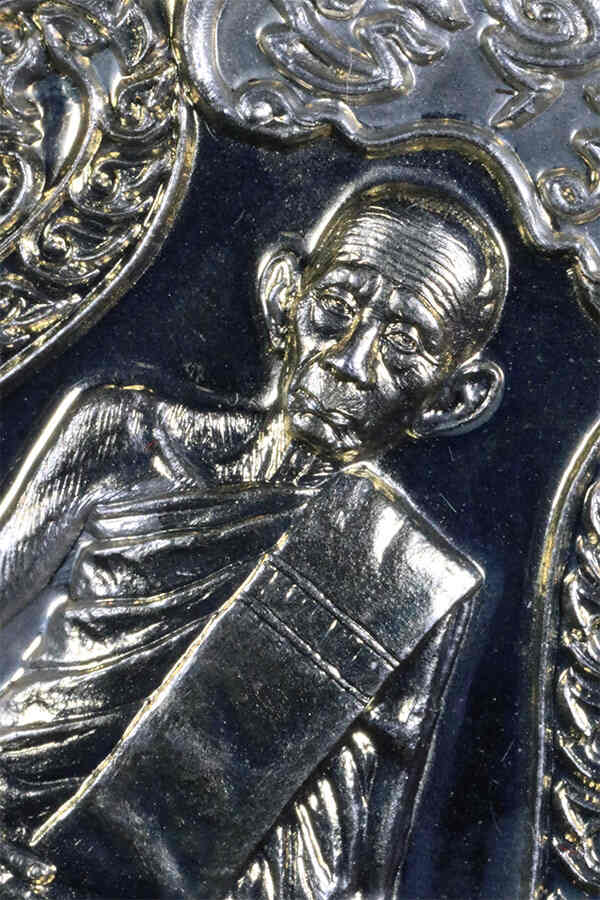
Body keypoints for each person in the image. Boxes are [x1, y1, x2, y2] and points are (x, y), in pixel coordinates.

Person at [0, 180, 508, 898]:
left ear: (454, 398)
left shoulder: (411, 582)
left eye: (403, 345)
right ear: (284, 295)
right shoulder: (121, 434)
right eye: (336, 308)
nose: (350, 361)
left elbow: (359, 862)